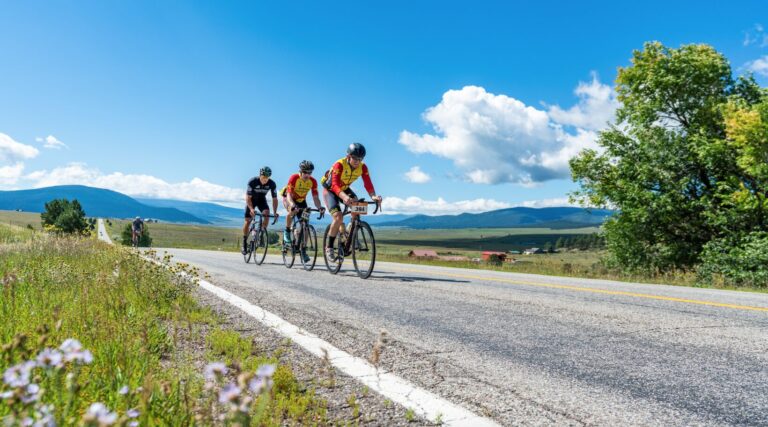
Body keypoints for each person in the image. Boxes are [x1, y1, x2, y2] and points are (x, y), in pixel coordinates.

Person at [320, 143, 382, 260]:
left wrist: (373, 196)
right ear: (348, 156)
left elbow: (367, 183)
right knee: (338, 217)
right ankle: (329, 247)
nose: (357, 161)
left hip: (343, 188)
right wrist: (344, 197)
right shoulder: (339, 165)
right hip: (330, 190)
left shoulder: (363, 167)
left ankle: (351, 230)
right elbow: (334, 185)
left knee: (357, 206)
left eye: (360, 159)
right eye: (355, 158)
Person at [281, 160, 325, 262]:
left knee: (305, 226)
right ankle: (287, 231)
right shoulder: (294, 178)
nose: (307, 175)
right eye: (305, 172)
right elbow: (288, 194)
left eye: (309, 173)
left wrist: (319, 207)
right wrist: (292, 205)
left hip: (301, 201)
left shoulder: (313, 181)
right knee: (292, 212)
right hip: (289, 199)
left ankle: (303, 250)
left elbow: (315, 197)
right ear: (300, 171)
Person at [242, 166, 279, 254]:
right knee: (247, 221)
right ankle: (244, 243)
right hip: (251, 201)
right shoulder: (252, 181)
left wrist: (275, 212)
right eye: (264, 177)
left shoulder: (272, 184)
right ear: (260, 175)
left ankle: (260, 233)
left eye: (267, 178)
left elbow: (275, 199)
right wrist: (251, 209)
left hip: (262, 200)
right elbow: (248, 197)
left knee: (266, 213)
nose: (265, 180)